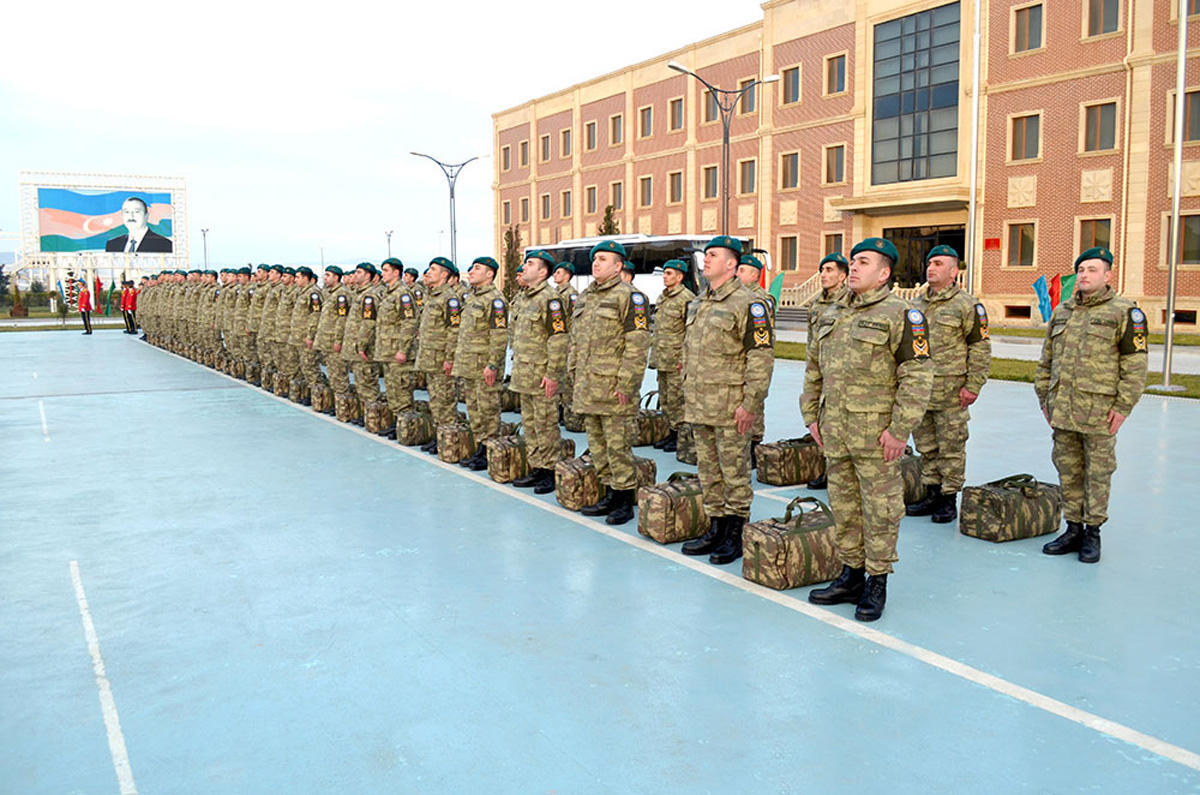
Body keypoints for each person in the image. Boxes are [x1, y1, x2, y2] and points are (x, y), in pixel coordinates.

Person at [802, 237, 932, 622]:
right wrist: (811, 414)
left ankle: (877, 581)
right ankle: (851, 574)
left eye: (863, 262)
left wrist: (900, 429)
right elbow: (814, 366)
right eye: (853, 261)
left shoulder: (902, 315)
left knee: (880, 510)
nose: (853, 268)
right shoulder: (830, 312)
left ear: (884, 273)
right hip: (836, 431)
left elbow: (918, 375)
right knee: (844, 506)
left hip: (877, 435)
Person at [1036, 247, 1148, 564]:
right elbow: (1046, 361)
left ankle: (1092, 532)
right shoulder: (1062, 312)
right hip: (1063, 408)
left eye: (1093, 270)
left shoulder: (1125, 312)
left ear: (1108, 275)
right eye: (1081, 270)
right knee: (1068, 471)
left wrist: (1123, 406)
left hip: (1099, 411)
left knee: (1097, 474)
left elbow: (1135, 366)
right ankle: (1073, 529)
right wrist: (1044, 397)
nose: (1085, 275)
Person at [679, 237, 774, 564]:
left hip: (731, 405)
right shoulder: (698, 302)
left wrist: (750, 404)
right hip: (700, 403)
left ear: (731, 264)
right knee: (708, 470)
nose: (706, 260)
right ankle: (716, 526)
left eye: (713, 255)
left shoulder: (750, 304)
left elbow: (760, 359)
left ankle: (735, 532)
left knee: (734, 473)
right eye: (706, 255)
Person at [905, 245, 991, 523]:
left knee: (951, 446)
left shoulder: (967, 305)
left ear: (954, 272)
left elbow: (980, 346)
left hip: (952, 392)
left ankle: (948, 497)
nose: (931, 267)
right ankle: (931, 492)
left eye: (939, 263)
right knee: (926, 445)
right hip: (921, 390)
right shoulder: (915, 306)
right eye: (930, 263)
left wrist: (974, 385)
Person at [569, 240, 651, 525]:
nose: (596, 263)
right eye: (595, 259)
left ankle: (624, 498)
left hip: (614, 388)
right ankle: (608, 491)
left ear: (618, 266)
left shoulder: (631, 297)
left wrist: (627, 385)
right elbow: (577, 342)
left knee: (618, 446)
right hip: (588, 386)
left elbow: (637, 345)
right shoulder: (585, 297)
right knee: (598, 444)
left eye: (603, 259)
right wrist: (574, 373)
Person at [509, 254, 570, 492]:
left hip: (542, 374)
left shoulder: (550, 300)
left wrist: (553, 373)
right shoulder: (524, 298)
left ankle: (550, 469)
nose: (525, 267)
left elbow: (558, 338)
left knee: (546, 424)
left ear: (543, 273)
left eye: (531, 264)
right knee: (531, 424)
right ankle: (537, 465)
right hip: (524, 373)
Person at [447, 256, 510, 468]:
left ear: (489, 274)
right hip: (469, 364)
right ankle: (480, 447)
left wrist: (493, 364)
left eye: (477, 268)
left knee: (488, 410)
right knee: (473, 409)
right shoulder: (472, 298)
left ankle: (490, 450)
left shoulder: (495, 300)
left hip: (484, 366)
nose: (471, 271)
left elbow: (499, 335)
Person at [805, 252, 850, 488]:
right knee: (822, 422)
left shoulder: (850, 302)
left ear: (843, 276)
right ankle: (827, 467)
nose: (824, 275)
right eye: (822, 270)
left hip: (843, 374)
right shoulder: (815, 305)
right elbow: (812, 342)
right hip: (822, 371)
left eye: (830, 270)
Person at [415, 257, 463, 455]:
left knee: (445, 401)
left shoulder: (449, 298)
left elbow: (454, 330)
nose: (428, 272)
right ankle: (439, 437)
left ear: (444, 275)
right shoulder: (431, 296)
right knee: (435, 400)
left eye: (433, 269)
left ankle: (449, 440)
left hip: (441, 357)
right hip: (429, 357)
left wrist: (450, 358)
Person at [650, 259, 694, 453]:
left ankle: (680, 437)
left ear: (679, 276)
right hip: (663, 357)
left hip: (677, 360)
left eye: (669, 273)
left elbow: (690, 333)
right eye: (665, 273)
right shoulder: (663, 297)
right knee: (666, 399)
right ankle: (670, 432)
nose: (665, 277)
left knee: (678, 400)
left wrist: (685, 359)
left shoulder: (687, 299)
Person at [736, 253, 776, 464]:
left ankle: (754, 444)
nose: (737, 273)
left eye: (742, 270)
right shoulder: (738, 297)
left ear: (754, 275)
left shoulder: (760, 300)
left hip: (753, 359)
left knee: (754, 402)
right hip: (737, 361)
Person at [375, 258, 419, 434]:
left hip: (398, 352)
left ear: (396, 273)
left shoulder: (403, 294)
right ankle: (397, 425)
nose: (383, 274)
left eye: (386, 270)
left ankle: (407, 428)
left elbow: (409, 322)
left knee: (402, 391)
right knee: (392, 389)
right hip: (387, 351)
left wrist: (403, 349)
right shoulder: (388, 293)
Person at [105, 197, 173, 253]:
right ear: (122, 215)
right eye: (127, 212)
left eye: (136, 212)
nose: (131, 216)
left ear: (146, 215)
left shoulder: (164, 244)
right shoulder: (112, 245)